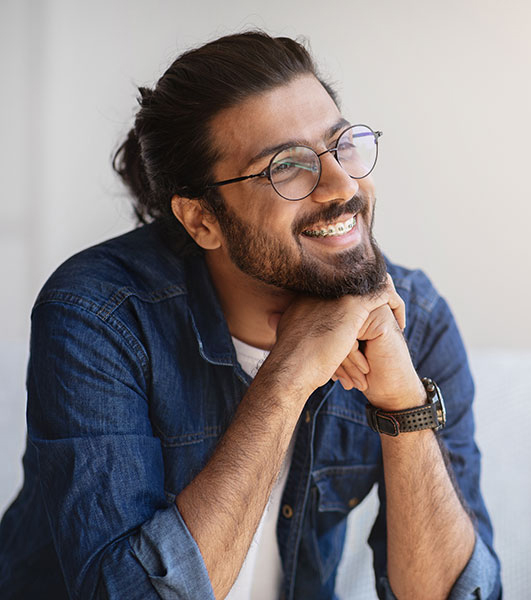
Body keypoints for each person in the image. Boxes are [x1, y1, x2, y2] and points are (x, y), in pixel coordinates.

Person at [0, 31, 501, 599]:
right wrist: (285, 378)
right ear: (201, 221)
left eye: (342, 146)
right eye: (288, 167)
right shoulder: (100, 315)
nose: (343, 185)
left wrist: (403, 408)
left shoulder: (414, 320)